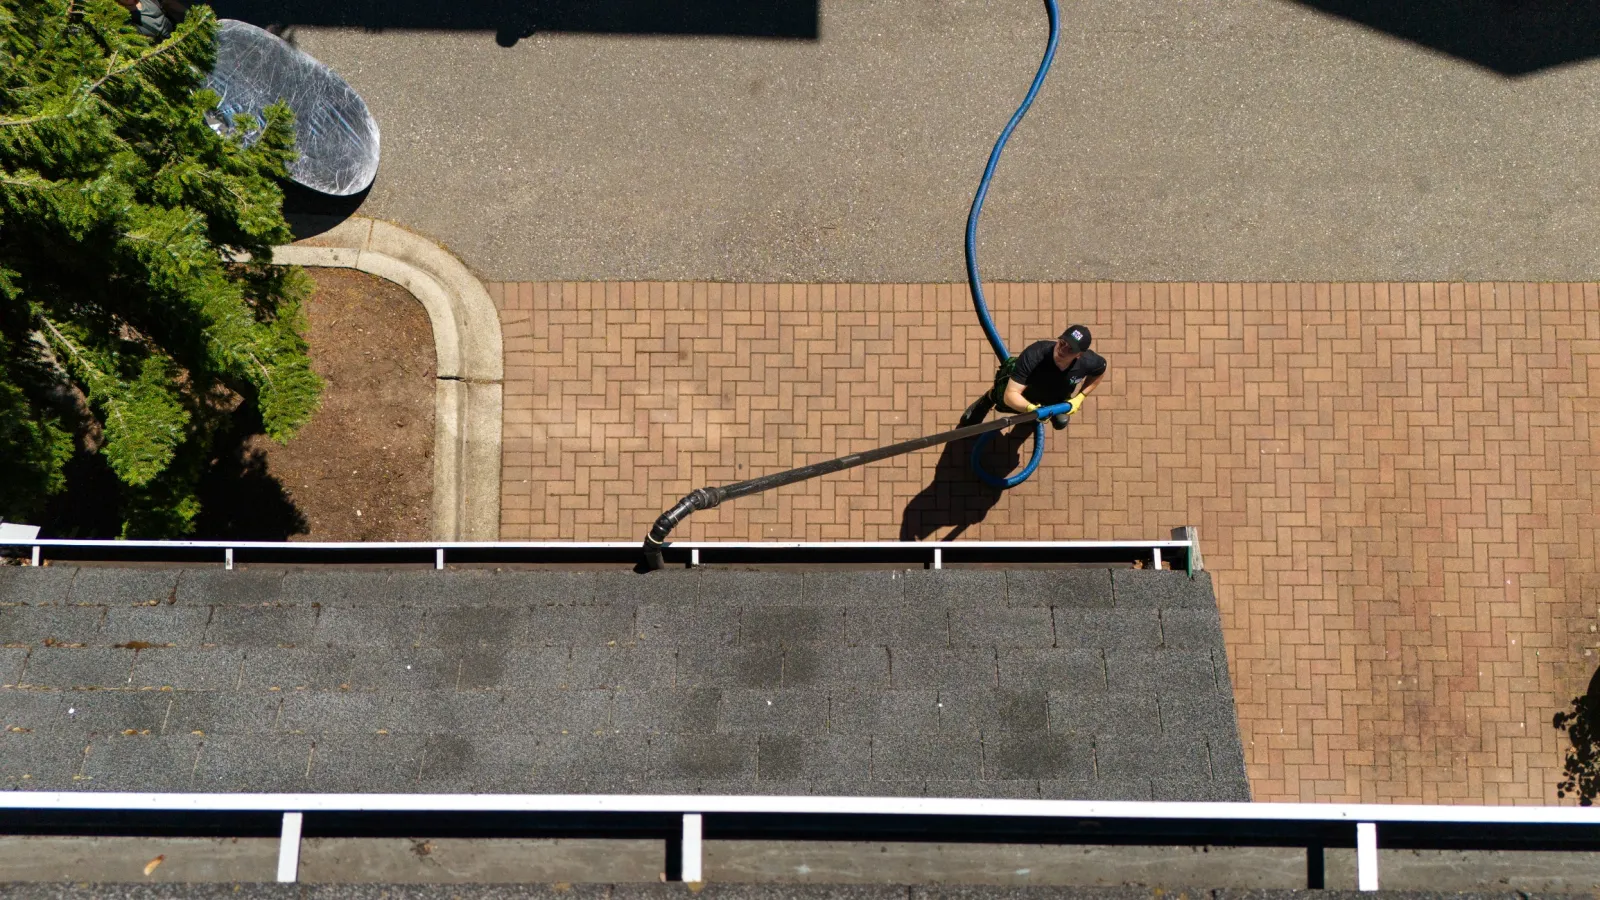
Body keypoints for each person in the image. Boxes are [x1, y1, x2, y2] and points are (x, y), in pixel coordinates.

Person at [958, 324, 1106, 430]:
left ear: (1079, 355)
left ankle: (1044, 415)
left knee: (1060, 422)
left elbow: (1100, 372)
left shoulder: (1090, 362)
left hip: (1056, 399)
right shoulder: (1034, 354)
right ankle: (986, 400)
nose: (1063, 349)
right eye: (1062, 343)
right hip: (1025, 393)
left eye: (1071, 349)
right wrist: (1032, 409)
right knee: (1000, 394)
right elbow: (1011, 395)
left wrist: (1080, 398)